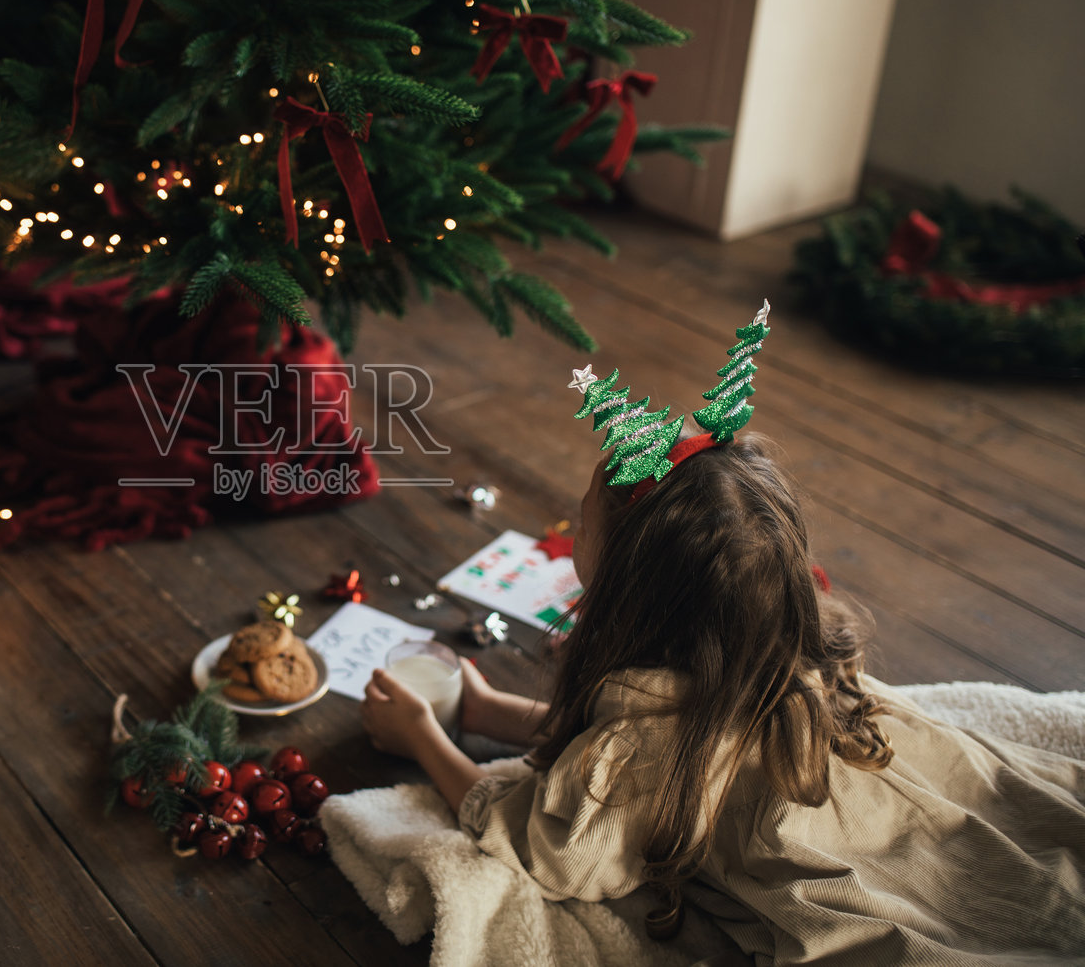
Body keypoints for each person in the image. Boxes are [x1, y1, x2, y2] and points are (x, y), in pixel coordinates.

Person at [362, 409, 1085, 964]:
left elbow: (546, 847)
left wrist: (423, 737)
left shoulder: (653, 749)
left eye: (583, 515)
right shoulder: (784, 643)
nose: (574, 520)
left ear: (624, 581)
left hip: (883, 881)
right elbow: (639, 731)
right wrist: (492, 711)